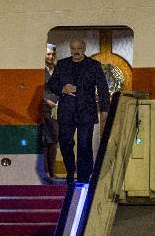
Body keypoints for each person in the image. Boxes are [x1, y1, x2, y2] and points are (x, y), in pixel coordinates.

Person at [45, 38, 110, 185]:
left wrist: (105, 109)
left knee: (84, 145)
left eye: (79, 48)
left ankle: (83, 177)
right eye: (73, 48)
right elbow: (52, 83)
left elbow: (103, 88)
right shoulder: (62, 64)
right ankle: (70, 171)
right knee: (65, 142)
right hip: (66, 111)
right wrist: (63, 88)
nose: (76, 51)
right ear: (70, 48)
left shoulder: (94, 66)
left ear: (84, 48)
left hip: (86, 111)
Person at [42, 43, 61, 181]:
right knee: (45, 142)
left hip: (56, 110)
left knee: (54, 141)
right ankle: (45, 172)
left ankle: (52, 172)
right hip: (44, 110)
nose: (51, 57)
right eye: (48, 54)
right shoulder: (39, 71)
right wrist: (46, 101)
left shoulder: (58, 71)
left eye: (53, 54)